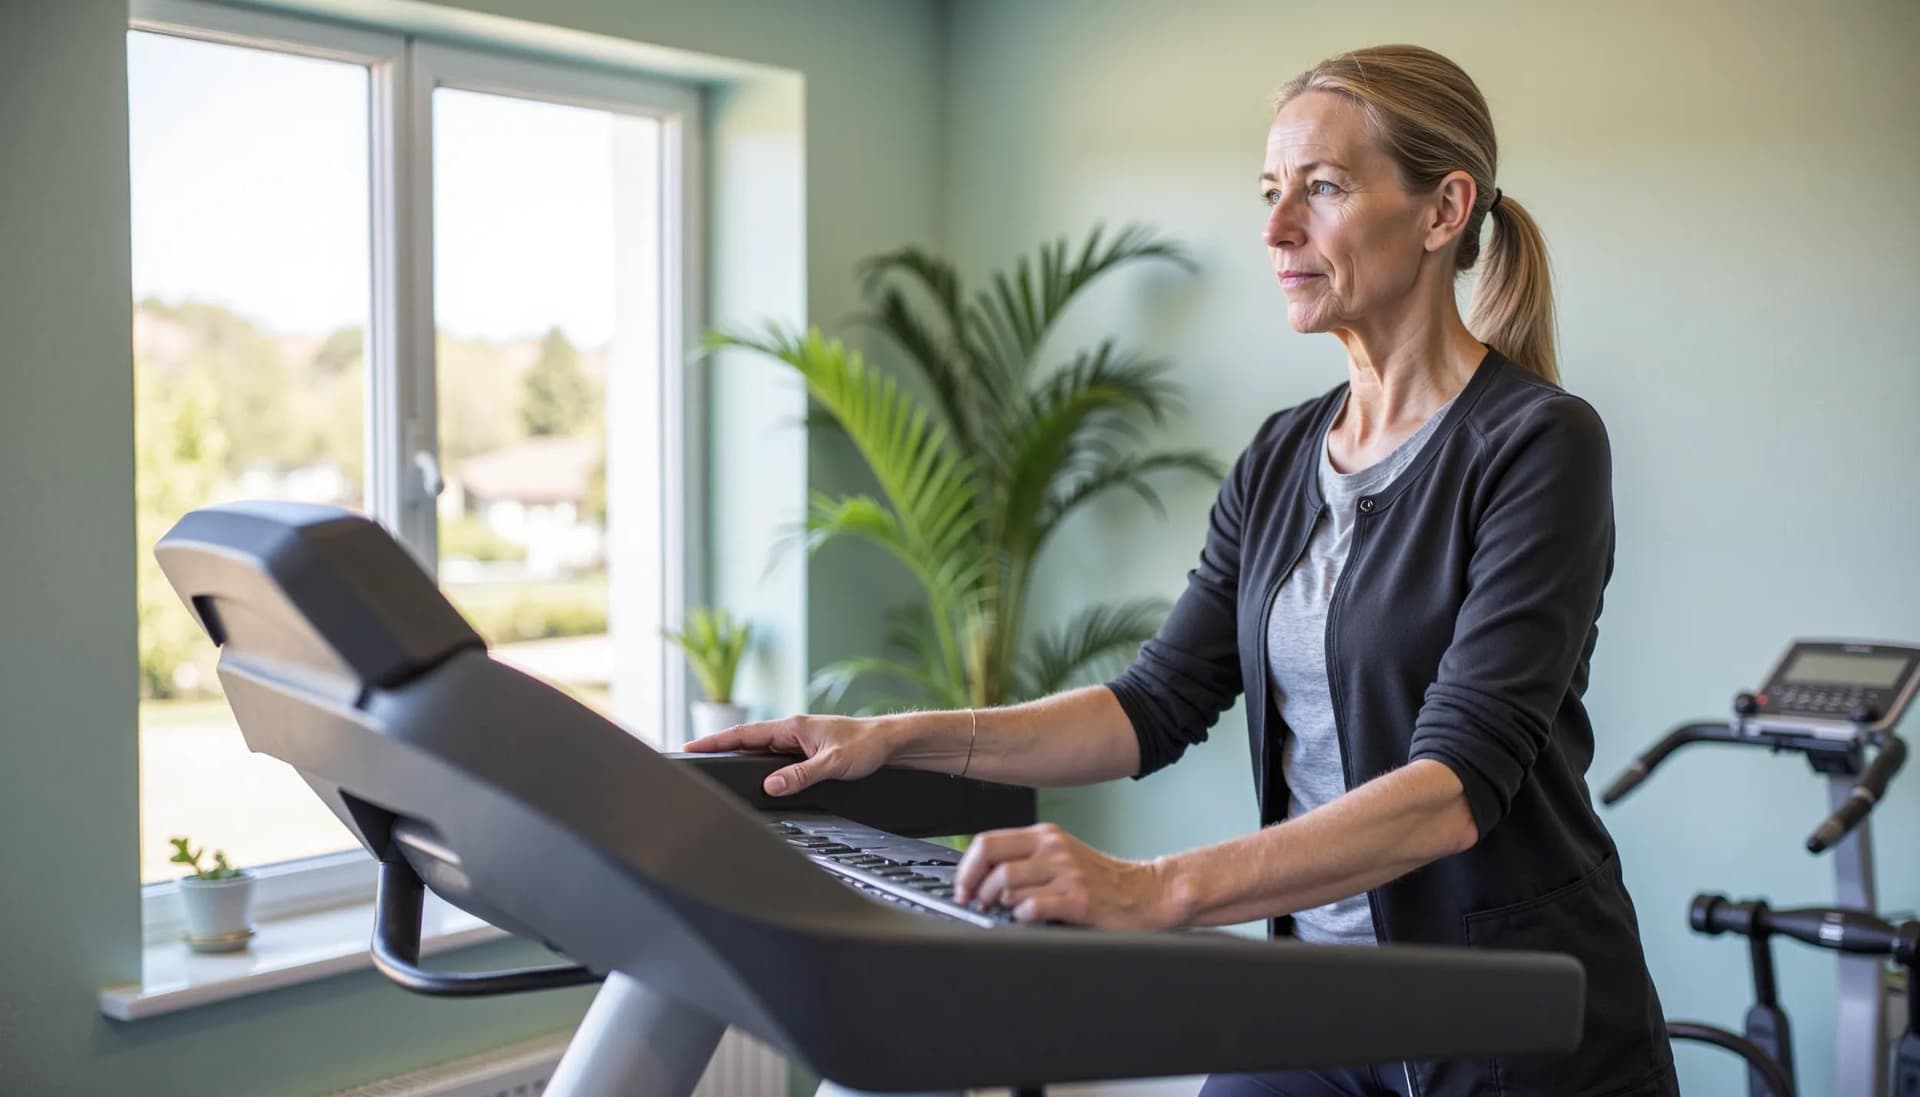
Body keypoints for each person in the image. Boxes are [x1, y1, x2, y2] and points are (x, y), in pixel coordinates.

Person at [686, 43, 1678, 1097]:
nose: (1277, 229)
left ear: (1443, 212)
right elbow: (1155, 703)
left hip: (1507, 1024)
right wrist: (893, 738)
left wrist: (1153, 887)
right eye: (1270, 192)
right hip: (1321, 1013)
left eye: (1323, 188)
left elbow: (1453, 791)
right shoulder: (1283, 455)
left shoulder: (1537, 443)